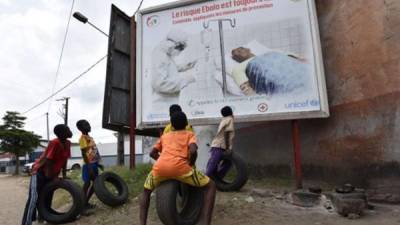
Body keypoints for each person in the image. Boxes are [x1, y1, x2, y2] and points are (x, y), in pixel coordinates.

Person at [139, 111, 216, 225]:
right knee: (211, 186)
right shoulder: (189, 134)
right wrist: (191, 163)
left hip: (159, 168)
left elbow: (152, 153)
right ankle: (205, 222)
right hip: (181, 168)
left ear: (172, 125)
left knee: (146, 192)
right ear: (186, 124)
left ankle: (142, 223)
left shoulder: (165, 136)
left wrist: (163, 161)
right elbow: (193, 150)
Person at [22, 124, 72, 225]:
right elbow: (49, 160)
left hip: (51, 174)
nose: (70, 131)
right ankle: (26, 222)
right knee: (34, 198)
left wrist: (63, 174)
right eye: (68, 129)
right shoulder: (55, 143)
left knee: (47, 196)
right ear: (61, 133)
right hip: (40, 172)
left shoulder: (68, 143)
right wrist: (53, 177)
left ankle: (44, 217)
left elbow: (65, 159)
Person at [231, 47, 310, 95]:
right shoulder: (238, 68)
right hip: (286, 87)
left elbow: (296, 59)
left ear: (248, 49)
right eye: (236, 53)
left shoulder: (272, 52)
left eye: (240, 48)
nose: (239, 51)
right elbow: (248, 91)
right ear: (235, 59)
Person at [151, 29, 197, 105]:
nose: (180, 51)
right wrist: (185, 80)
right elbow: (159, 84)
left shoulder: (165, 54)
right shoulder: (160, 56)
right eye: (180, 48)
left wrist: (186, 66)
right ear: (172, 44)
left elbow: (169, 68)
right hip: (162, 104)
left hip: (168, 101)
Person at [76, 119, 101, 210]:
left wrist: (98, 163)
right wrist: (89, 166)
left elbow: (94, 151)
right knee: (87, 183)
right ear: (80, 128)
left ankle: (85, 202)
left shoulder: (90, 138)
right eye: (86, 124)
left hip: (94, 164)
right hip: (88, 165)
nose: (89, 126)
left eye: (89, 124)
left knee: (95, 184)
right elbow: (84, 153)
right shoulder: (82, 138)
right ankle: (80, 203)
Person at [206, 106, 235, 177]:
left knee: (226, 162)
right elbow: (226, 133)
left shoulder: (224, 119)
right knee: (213, 164)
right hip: (219, 146)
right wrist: (228, 148)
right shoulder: (230, 119)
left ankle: (217, 178)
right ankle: (206, 180)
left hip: (218, 145)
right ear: (231, 112)